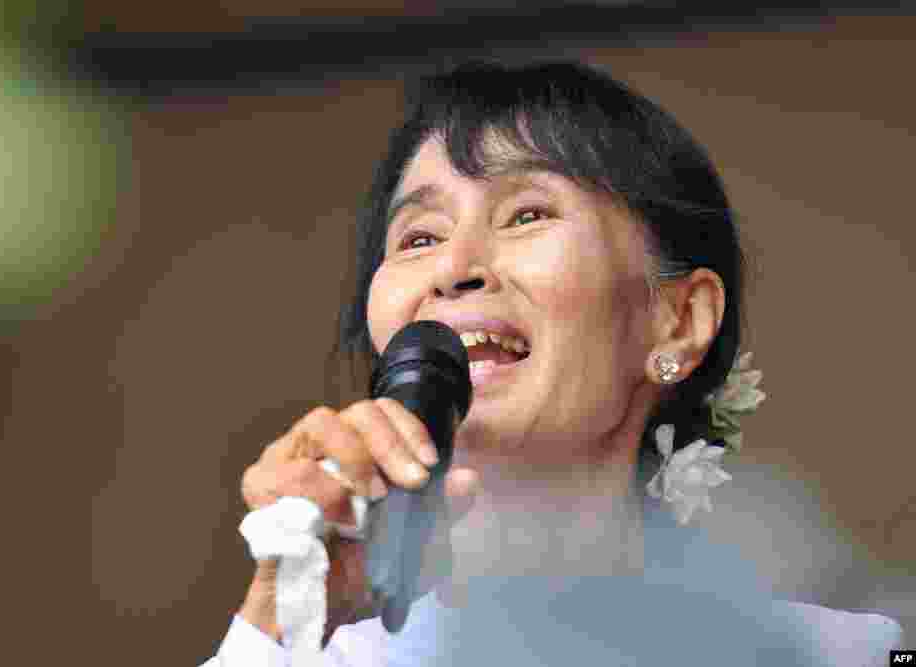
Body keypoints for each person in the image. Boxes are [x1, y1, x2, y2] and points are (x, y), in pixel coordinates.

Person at [200, 61, 903, 665]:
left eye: (527, 215)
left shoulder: (843, 654)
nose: (453, 268)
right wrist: (278, 615)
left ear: (679, 321)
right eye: (418, 236)